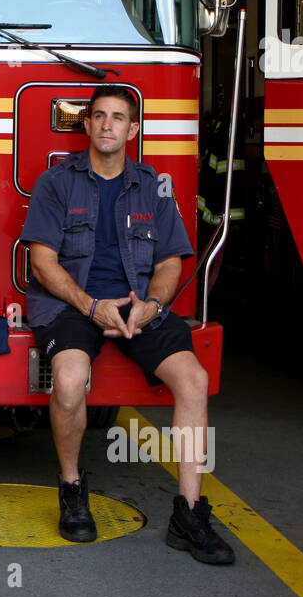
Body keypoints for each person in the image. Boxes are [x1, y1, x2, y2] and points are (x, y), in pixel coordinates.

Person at [20, 84, 234, 565]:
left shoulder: (154, 186)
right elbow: (43, 262)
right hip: (74, 306)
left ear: (133, 129)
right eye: (98, 116)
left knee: (194, 381)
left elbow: (172, 262)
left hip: (139, 306)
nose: (107, 125)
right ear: (88, 125)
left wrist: (152, 306)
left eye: (118, 117)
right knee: (71, 383)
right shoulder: (56, 182)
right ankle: (73, 489)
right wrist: (91, 305)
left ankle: (190, 512)